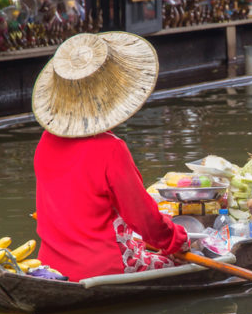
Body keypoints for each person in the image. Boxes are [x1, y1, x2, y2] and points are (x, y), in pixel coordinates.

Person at [32, 31, 188, 281]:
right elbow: (145, 220)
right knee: (172, 261)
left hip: (51, 266)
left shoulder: (45, 143)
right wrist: (176, 240)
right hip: (105, 268)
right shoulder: (111, 149)